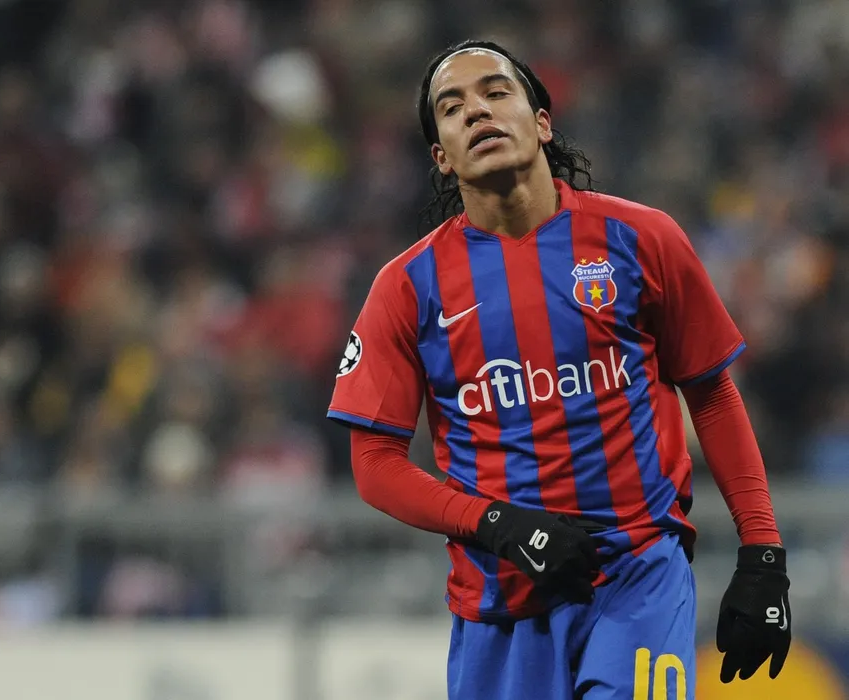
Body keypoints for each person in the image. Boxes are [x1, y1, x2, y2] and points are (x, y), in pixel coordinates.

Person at [326, 39, 792, 700]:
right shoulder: (407, 287)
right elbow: (374, 463)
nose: (476, 111)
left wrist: (763, 555)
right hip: (498, 604)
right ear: (441, 157)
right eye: (452, 108)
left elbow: (711, 394)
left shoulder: (642, 239)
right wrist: (497, 525)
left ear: (542, 122)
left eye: (496, 92)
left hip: (637, 577)